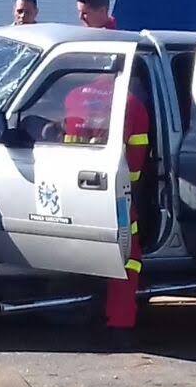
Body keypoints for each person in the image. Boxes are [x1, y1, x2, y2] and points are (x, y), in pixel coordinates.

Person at [61, 71, 150, 347]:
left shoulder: (73, 96)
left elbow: (66, 139)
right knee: (128, 259)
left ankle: (85, 313)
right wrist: (132, 188)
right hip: (115, 191)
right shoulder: (132, 102)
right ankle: (120, 326)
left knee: (83, 253)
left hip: (76, 186)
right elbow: (137, 153)